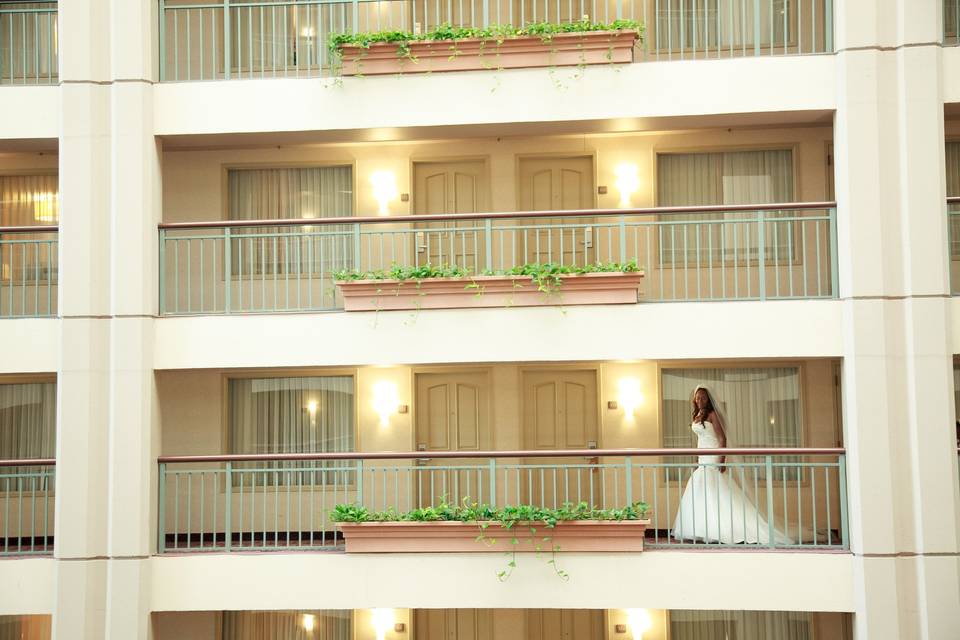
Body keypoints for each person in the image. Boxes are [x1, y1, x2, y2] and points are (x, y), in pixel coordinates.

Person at [671, 385, 792, 545]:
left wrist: (721, 460)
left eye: (703, 397)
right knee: (701, 491)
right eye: (697, 397)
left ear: (708, 399)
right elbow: (700, 440)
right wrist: (696, 458)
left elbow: (722, 439)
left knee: (714, 490)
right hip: (702, 457)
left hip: (713, 456)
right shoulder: (698, 415)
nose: (700, 400)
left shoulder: (713, 415)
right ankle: (702, 529)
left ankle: (727, 529)